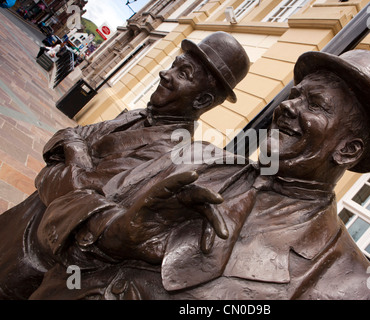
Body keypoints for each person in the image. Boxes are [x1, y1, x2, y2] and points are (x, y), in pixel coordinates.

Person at [22, 49, 370, 300]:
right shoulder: (195, 157)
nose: (288, 106)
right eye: (295, 94)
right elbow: (65, 205)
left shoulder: (353, 286)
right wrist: (115, 232)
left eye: (315, 104)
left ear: (348, 149)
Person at [0, 31, 250, 299]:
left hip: (28, 257)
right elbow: (68, 135)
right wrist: (74, 149)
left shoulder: (169, 155)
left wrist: (69, 159)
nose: (165, 73)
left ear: (201, 100)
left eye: (183, 73)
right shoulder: (139, 114)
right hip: (16, 223)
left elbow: (70, 192)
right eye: (174, 65)